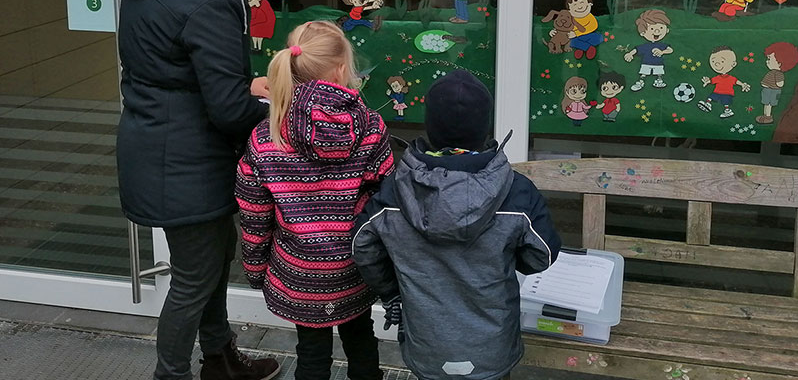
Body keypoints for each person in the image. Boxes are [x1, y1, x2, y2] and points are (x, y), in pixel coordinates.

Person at [117, 0, 279, 380]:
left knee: (207, 268)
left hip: (160, 140)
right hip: (184, 157)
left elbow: (172, 65)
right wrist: (286, 112)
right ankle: (173, 374)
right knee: (193, 280)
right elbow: (228, 109)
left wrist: (240, 83)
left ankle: (221, 360)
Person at [352, 69, 562, 380]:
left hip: (427, 345)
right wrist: (500, 256)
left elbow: (362, 247)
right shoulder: (516, 191)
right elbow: (540, 256)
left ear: (430, 126)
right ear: (485, 126)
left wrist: (392, 291)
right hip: (492, 347)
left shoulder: (394, 190)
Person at [235, 21, 394, 380]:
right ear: (341, 68)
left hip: (298, 272)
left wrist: (256, 269)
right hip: (355, 268)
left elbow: (254, 213)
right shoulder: (371, 127)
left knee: (311, 352)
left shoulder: (267, 134)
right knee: (361, 339)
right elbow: (385, 206)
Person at [623, 9, 673, 91]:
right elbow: (637, 50)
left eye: (661, 27)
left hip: (658, 63)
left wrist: (662, 52)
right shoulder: (646, 46)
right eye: (652, 29)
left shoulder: (661, 45)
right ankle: (640, 82)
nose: (657, 31)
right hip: (646, 63)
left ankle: (659, 81)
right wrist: (630, 54)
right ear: (642, 33)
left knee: (659, 72)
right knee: (643, 73)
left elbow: (670, 50)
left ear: (667, 30)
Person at [698, 46, 751, 118]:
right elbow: (712, 80)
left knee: (726, 102)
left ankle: (728, 111)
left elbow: (736, 81)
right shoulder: (718, 77)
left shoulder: (731, 78)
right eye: (713, 61)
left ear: (733, 64)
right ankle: (707, 104)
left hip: (727, 93)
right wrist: (707, 82)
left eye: (722, 61)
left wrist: (742, 85)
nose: (717, 64)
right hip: (717, 91)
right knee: (711, 96)